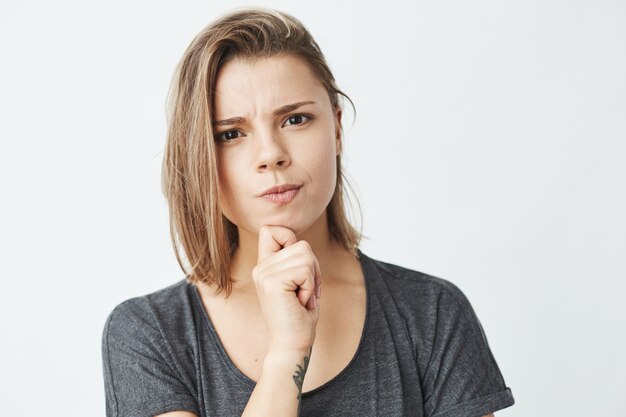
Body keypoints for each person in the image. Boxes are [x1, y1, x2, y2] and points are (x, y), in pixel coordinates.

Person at [101, 7, 515, 417]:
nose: (271, 155)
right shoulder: (149, 333)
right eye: (230, 134)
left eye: (295, 119)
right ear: (197, 155)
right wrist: (287, 352)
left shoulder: (432, 313)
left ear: (336, 129)